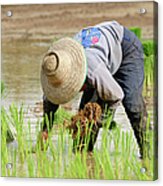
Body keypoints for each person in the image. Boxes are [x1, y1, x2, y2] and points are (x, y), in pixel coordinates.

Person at [40, 21, 147, 159]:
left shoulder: (92, 70)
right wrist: (44, 132)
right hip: (99, 55)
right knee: (83, 134)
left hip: (125, 47)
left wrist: (101, 119)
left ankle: (150, 154)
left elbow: (116, 94)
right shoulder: (56, 68)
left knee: (132, 105)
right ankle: (85, 158)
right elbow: (50, 103)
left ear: (76, 78)